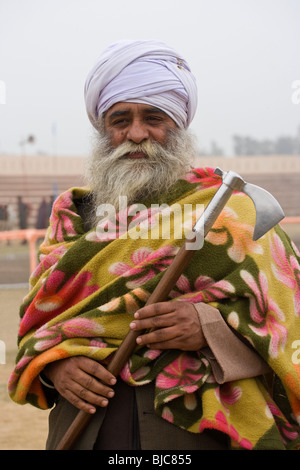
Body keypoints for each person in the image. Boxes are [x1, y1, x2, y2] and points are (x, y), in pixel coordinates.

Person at [8, 40, 300, 450]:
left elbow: (287, 320)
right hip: (86, 428)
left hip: (200, 429)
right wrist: (55, 366)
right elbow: (38, 322)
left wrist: (208, 327)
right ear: (103, 129)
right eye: (120, 120)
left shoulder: (231, 212)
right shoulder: (74, 213)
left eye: (154, 117)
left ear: (178, 125)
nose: (137, 134)